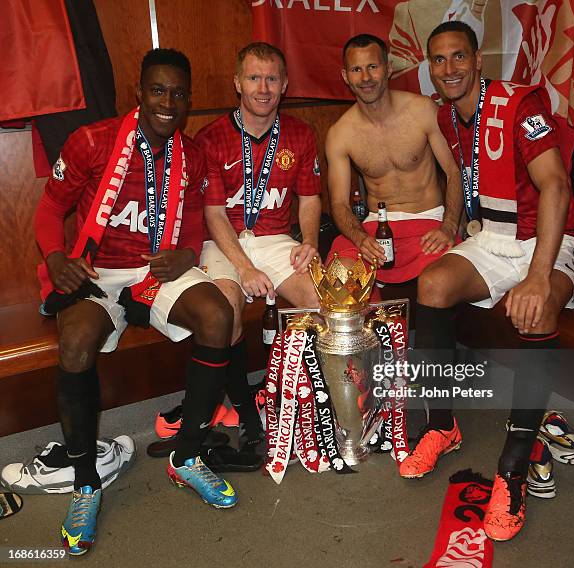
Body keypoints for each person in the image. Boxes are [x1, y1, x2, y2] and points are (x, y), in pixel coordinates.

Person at [35, 48, 237, 556]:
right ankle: (85, 484)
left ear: (188, 100)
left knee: (218, 317)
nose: (167, 102)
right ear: (138, 92)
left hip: (155, 269)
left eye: (177, 93)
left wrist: (187, 252)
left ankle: (187, 455)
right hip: (97, 268)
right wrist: (58, 258)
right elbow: (50, 207)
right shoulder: (92, 140)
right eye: (157, 90)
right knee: (75, 345)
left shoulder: (191, 153)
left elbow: (194, 223)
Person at [400, 21, 574, 542]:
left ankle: (512, 467)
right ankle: (441, 424)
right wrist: (448, 227)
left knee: (538, 307)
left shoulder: (517, 105)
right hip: (494, 237)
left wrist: (536, 276)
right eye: (438, 61)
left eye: (458, 57)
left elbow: (554, 187)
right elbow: (462, 182)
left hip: (549, 238)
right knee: (431, 286)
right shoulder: (446, 114)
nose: (449, 69)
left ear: (477, 60)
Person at [194, 42, 322, 446]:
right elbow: (214, 214)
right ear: (237, 83)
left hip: (275, 238)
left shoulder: (300, 134)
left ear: (284, 84)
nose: (263, 88)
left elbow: (311, 199)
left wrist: (312, 242)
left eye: (271, 78)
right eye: (253, 77)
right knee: (226, 306)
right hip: (223, 241)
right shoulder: (211, 137)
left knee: (320, 298)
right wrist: (245, 268)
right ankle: (248, 415)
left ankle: (305, 403)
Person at [326, 34, 462, 283]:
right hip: (374, 230)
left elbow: (455, 172)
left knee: (440, 281)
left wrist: (449, 227)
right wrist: (361, 240)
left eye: (373, 67)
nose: (365, 78)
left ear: (388, 69)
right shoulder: (339, 134)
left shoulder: (423, 111)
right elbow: (338, 203)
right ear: (346, 77)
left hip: (429, 224)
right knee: (339, 276)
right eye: (356, 69)